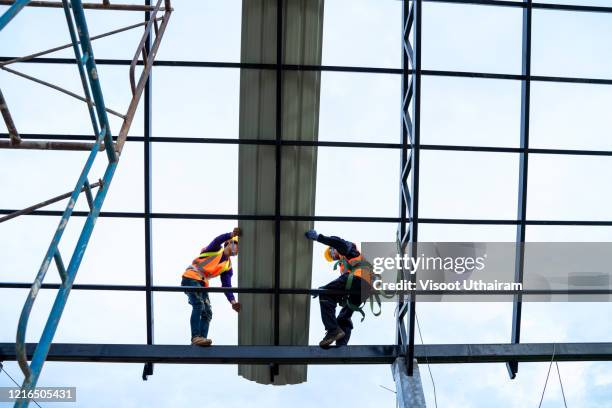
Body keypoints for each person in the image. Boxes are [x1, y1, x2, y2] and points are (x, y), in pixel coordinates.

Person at [305, 229, 372, 348]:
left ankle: (333, 330)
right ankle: (341, 345)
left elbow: (337, 242)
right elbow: (342, 284)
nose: (333, 256)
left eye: (331, 253)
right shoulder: (344, 265)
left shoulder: (348, 250)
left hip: (358, 279)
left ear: (332, 248)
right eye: (332, 258)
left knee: (325, 294)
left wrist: (318, 238)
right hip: (362, 287)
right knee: (344, 316)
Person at [181, 228, 242, 346]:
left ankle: (201, 340)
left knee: (207, 312)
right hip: (191, 277)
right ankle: (195, 337)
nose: (238, 250)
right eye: (237, 245)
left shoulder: (227, 266)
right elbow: (217, 240)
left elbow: (226, 286)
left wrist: (233, 302)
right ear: (229, 242)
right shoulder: (215, 250)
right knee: (198, 304)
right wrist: (231, 234)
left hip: (202, 284)